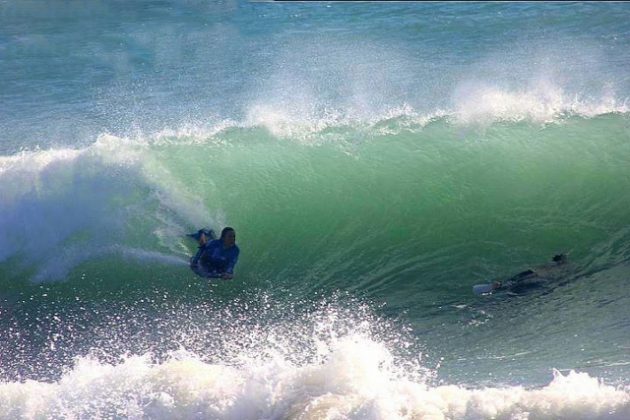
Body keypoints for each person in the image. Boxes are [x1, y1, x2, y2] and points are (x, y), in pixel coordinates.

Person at [491, 254, 568, 292]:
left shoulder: (548, 264)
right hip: (534, 276)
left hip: (530, 272)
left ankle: (500, 285)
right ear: (561, 261)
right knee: (515, 284)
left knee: (512, 282)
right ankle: (500, 286)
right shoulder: (556, 267)